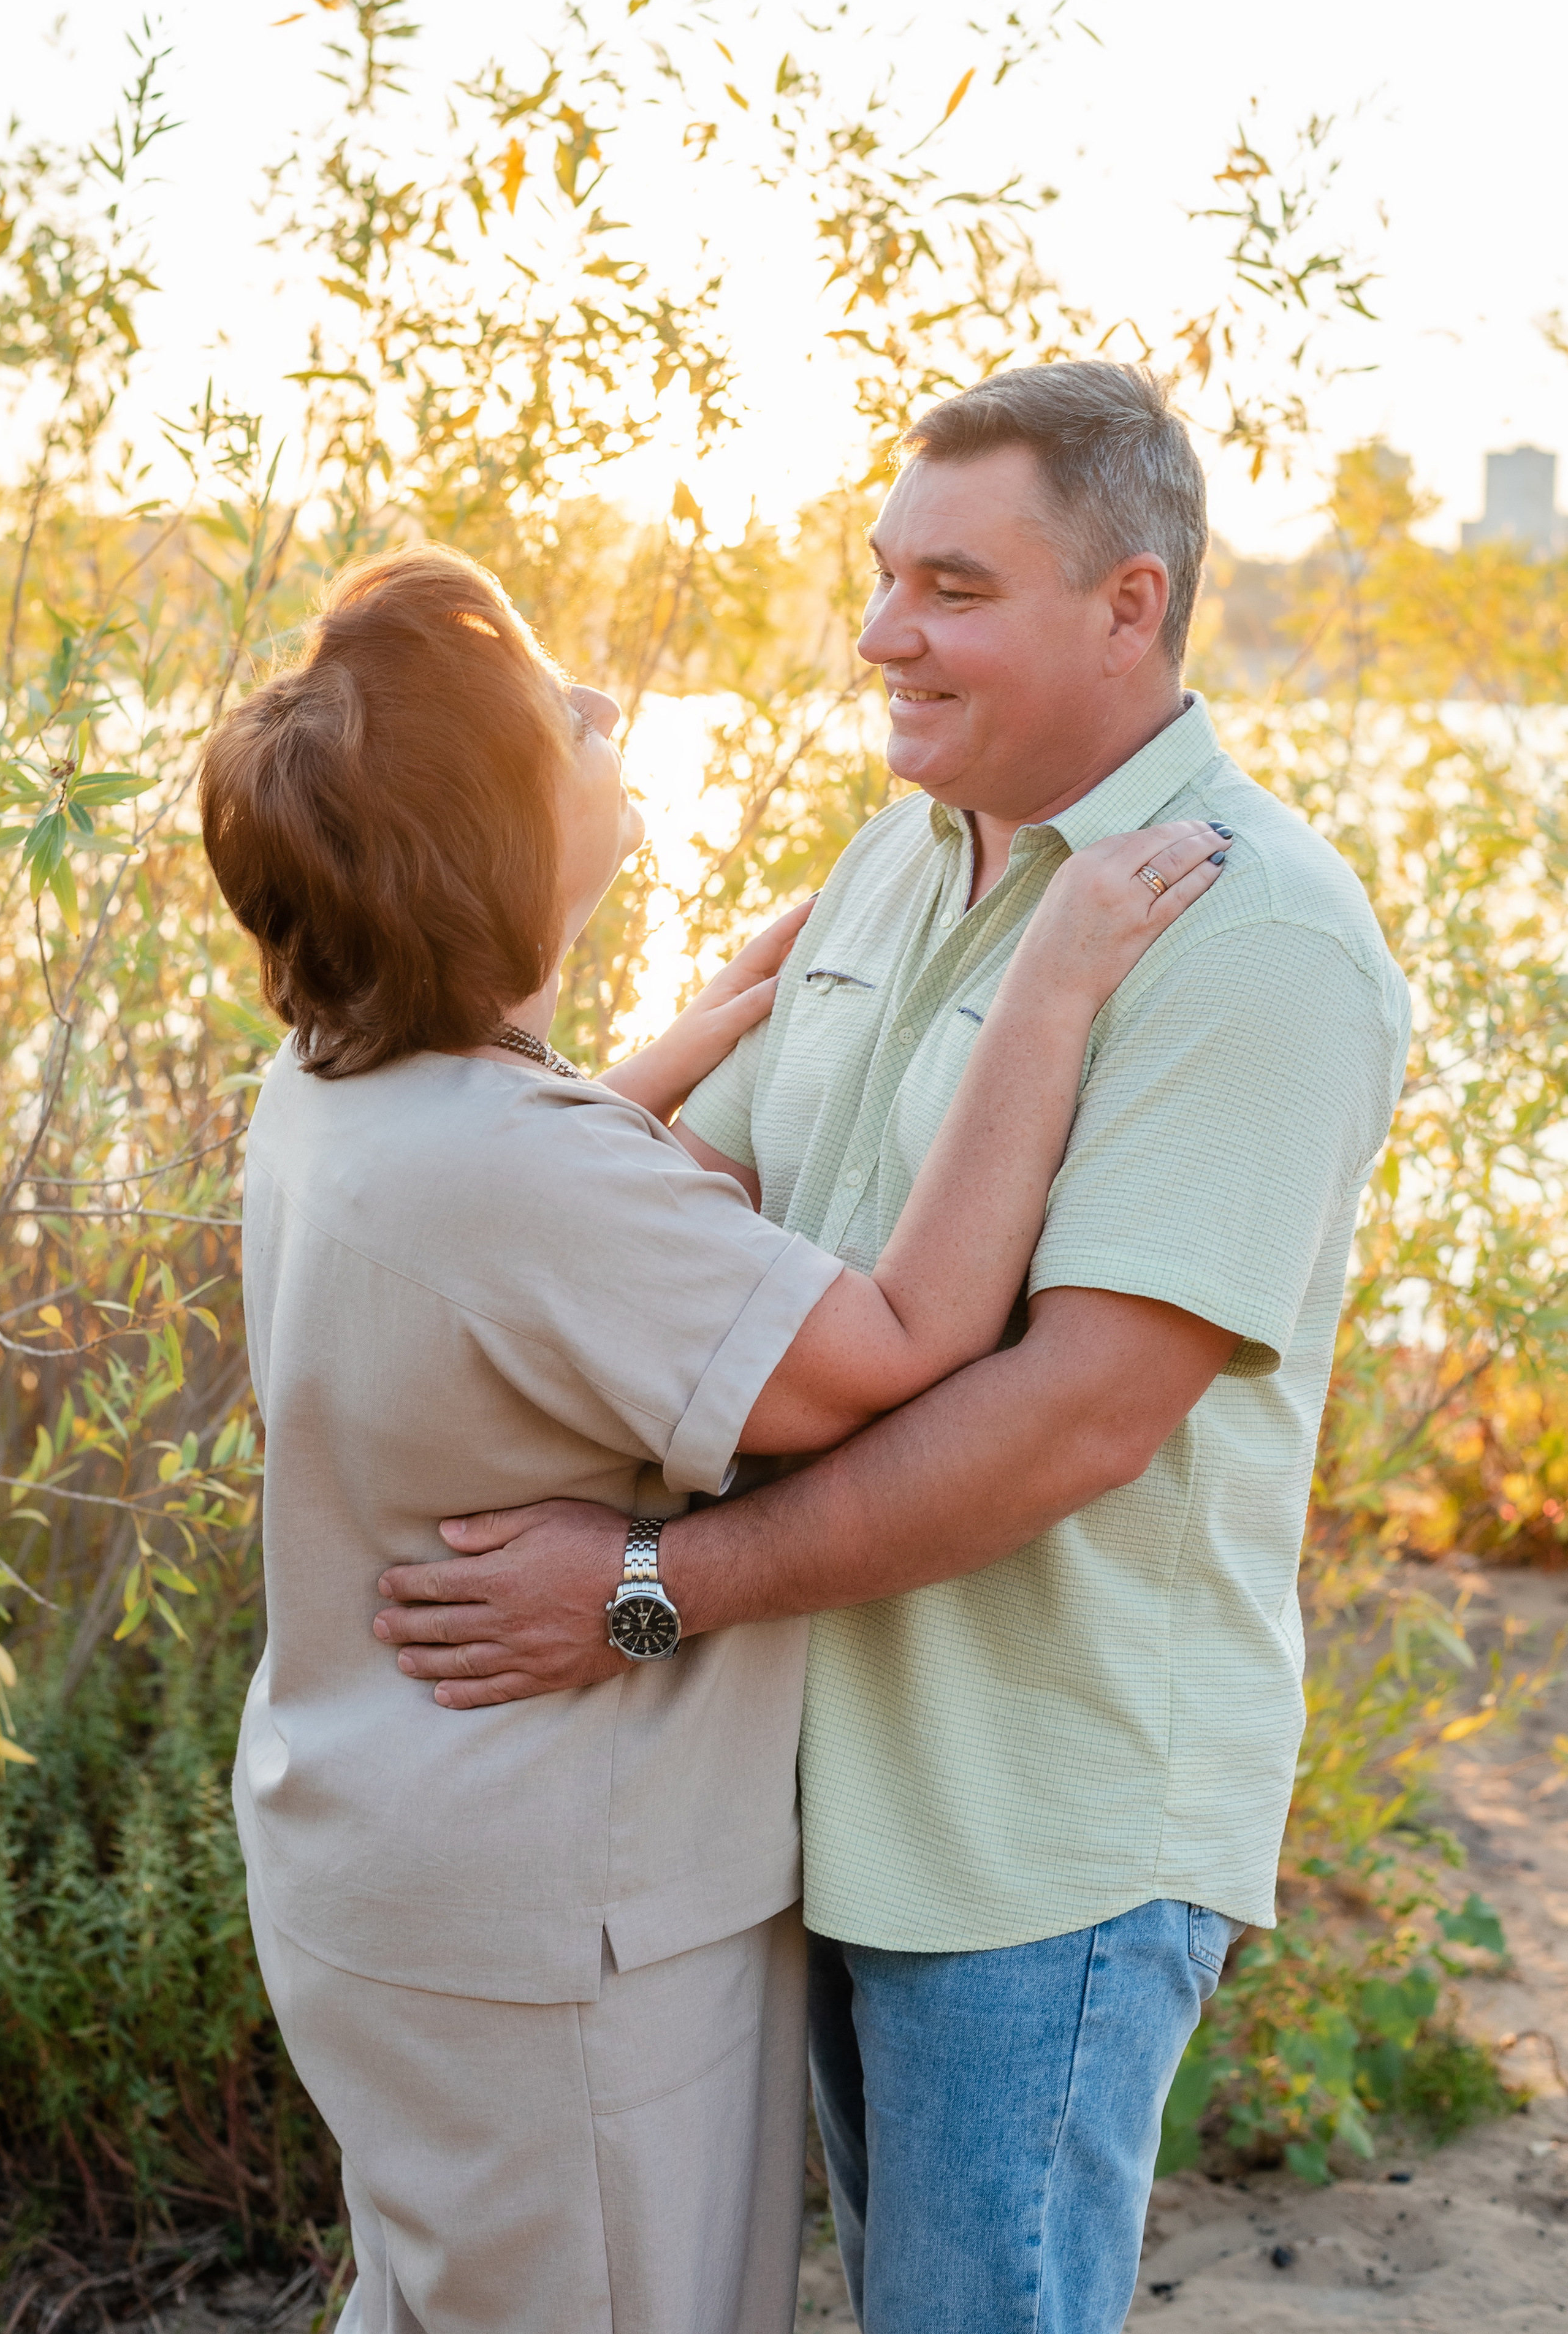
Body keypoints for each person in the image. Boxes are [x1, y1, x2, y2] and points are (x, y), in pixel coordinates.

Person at [375, 362, 1413, 2334]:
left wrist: (652, 1589)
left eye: (949, 586)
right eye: (880, 576)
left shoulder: (1250, 934)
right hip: (818, 1789)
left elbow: (1077, 1418)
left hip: (1037, 1833)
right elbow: (696, 1216)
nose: (880, 636)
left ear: (1131, 606)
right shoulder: (894, 859)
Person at [199, 540, 1225, 2334]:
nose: (603, 715)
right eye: (562, 718)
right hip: (548, 1912)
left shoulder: (336, 1090)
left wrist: (664, 1058)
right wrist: (1049, 984)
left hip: (383, 1845)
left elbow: (509, 1207)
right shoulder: (531, 1175)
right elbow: (902, 1342)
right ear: (493, 840)